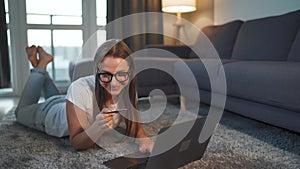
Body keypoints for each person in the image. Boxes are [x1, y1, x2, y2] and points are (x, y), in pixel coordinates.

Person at [15, 39, 154, 152]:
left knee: (67, 97)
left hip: (69, 103)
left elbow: (135, 127)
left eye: (121, 74)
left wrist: (145, 139)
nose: (114, 83)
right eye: (106, 75)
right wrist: (97, 128)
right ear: (96, 71)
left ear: (130, 74)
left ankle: (40, 64)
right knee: (20, 112)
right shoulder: (79, 88)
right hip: (49, 114)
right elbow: (76, 142)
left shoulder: (128, 89)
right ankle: (40, 66)